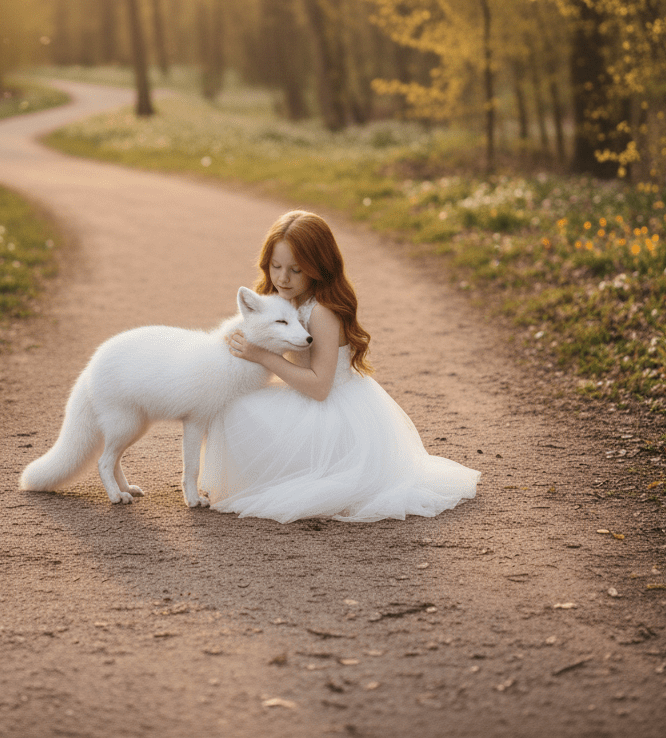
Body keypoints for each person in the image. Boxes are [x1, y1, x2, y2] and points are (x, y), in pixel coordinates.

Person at [199, 210, 480, 523]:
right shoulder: (284, 302)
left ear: (319, 268)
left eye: (296, 270)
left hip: (331, 408)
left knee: (237, 413)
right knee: (230, 405)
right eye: (275, 267)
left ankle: (269, 478)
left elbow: (320, 386)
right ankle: (256, 477)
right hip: (306, 398)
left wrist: (263, 356)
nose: (282, 278)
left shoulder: (320, 312)